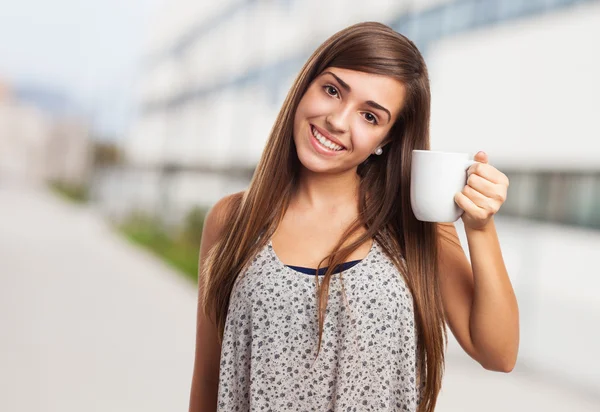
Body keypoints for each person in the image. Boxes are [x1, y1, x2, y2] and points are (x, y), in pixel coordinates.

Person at [188, 22, 519, 412]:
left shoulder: (413, 224)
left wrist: (480, 228)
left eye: (370, 116)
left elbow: (498, 353)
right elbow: (210, 376)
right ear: (304, 86)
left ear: (388, 139)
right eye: (332, 90)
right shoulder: (232, 219)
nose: (338, 121)